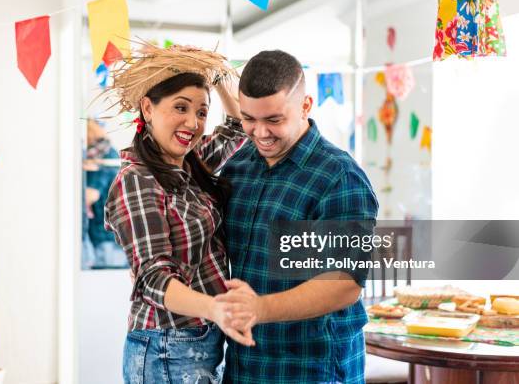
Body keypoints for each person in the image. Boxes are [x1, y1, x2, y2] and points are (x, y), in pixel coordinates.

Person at [216, 50, 379, 384]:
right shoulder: (238, 168)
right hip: (245, 365)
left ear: (305, 106)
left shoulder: (339, 177)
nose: (260, 133)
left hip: (311, 368)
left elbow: (344, 283)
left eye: (274, 120)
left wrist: (259, 309)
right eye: (249, 119)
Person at [103, 44, 254, 384]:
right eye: (180, 107)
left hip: (202, 338)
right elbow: (154, 279)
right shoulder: (136, 180)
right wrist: (215, 308)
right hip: (166, 345)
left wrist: (214, 75)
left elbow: (237, 127)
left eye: (202, 112)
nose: (193, 122)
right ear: (148, 108)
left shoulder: (190, 163)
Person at [85, 120, 126, 267]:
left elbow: (90, 195)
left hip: (105, 238)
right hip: (111, 235)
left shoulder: (104, 155)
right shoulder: (108, 152)